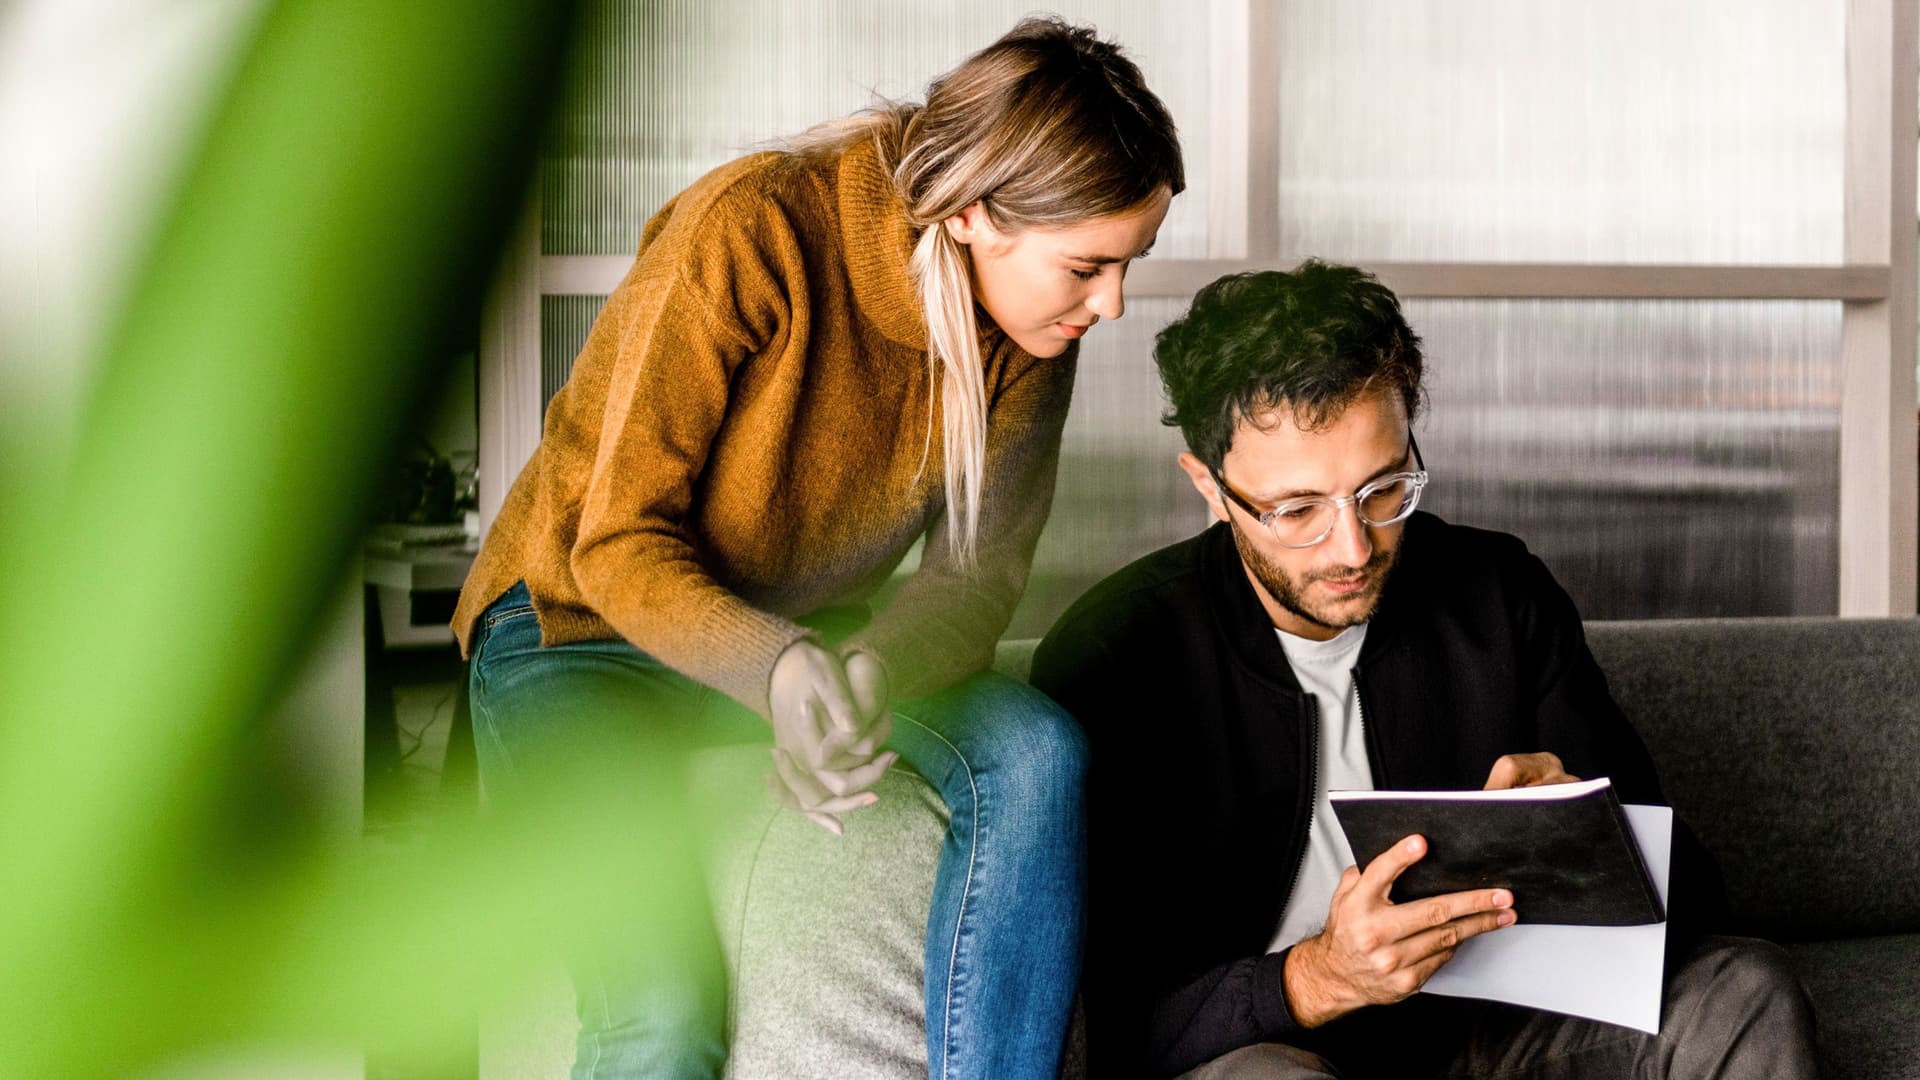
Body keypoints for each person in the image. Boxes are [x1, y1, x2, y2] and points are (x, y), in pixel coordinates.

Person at [451, 16, 1182, 1080]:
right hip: (576, 624)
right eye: (1089, 266)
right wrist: (780, 668)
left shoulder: (1027, 326)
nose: (1110, 304)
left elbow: (976, 578)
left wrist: (874, 670)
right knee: (658, 1009)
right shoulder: (754, 229)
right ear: (977, 214)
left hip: (802, 626)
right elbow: (614, 541)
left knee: (1039, 752)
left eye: (1129, 265)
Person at [1029, 261, 1818, 1079]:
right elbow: (1093, 1019)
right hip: (1267, 1046)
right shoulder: (1119, 655)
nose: (1352, 547)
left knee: (1745, 990)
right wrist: (1314, 979)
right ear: (1209, 486)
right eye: (1297, 511)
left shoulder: (1497, 594)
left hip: (1490, 1030)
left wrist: (1592, 835)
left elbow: (1691, 902)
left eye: (1383, 490)